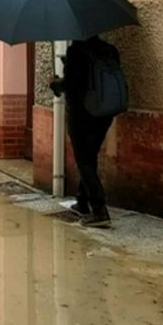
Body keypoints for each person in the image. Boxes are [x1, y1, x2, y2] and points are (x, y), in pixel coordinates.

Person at [50, 35, 122, 228]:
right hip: (105, 112)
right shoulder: (110, 49)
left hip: (82, 114)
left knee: (84, 159)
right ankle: (82, 201)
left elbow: (72, 85)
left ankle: (99, 210)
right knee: (90, 156)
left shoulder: (76, 51)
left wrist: (56, 83)